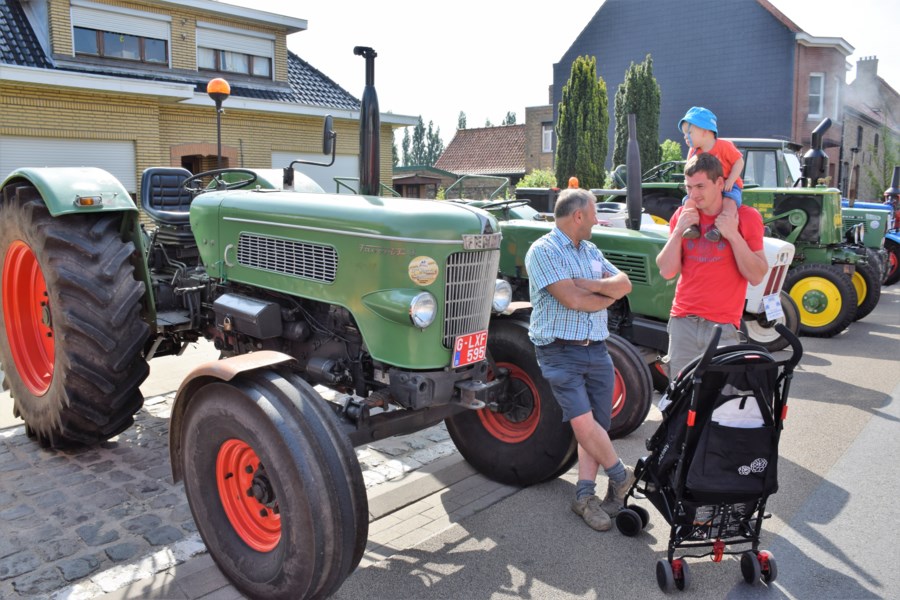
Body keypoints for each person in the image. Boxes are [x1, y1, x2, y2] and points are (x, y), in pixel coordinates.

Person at [524, 187, 635, 532]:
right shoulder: (543, 251)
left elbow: (625, 284)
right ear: (578, 216)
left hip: (596, 348)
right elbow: (572, 300)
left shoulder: (590, 249)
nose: (598, 218)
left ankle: (584, 496)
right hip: (559, 351)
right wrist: (603, 293)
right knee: (583, 423)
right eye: (595, 212)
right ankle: (621, 476)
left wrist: (591, 286)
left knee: (597, 428)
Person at [656, 153, 768, 383]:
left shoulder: (746, 217)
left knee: (720, 400)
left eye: (700, 186)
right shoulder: (682, 216)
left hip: (723, 326)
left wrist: (732, 234)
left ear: (719, 183)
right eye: (688, 187)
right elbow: (666, 270)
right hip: (682, 322)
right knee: (680, 396)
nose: (693, 194)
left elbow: (757, 275)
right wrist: (678, 231)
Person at [678, 106, 745, 242]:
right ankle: (692, 226)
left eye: (689, 132)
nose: (685, 137)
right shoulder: (693, 151)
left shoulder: (724, 146)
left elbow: (739, 162)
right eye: (684, 134)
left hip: (728, 185)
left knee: (729, 202)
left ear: (704, 131)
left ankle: (719, 229)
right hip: (704, 187)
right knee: (688, 201)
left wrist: (731, 180)